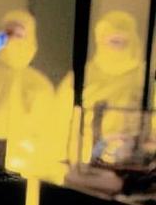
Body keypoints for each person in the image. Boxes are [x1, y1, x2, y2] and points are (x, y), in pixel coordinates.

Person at [56, 10, 144, 165]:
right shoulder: (79, 79)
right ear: (99, 39)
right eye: (112, 40)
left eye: (121, 40)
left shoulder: (144, 79)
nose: (116, 45)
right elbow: (59, 127)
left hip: (133, 165)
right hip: (85, 164)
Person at [0, 10, 57, 180]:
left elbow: (47, 136)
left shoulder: (40, 85)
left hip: (25, 170)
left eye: (20, 34)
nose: (13, 39)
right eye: (8, 33)